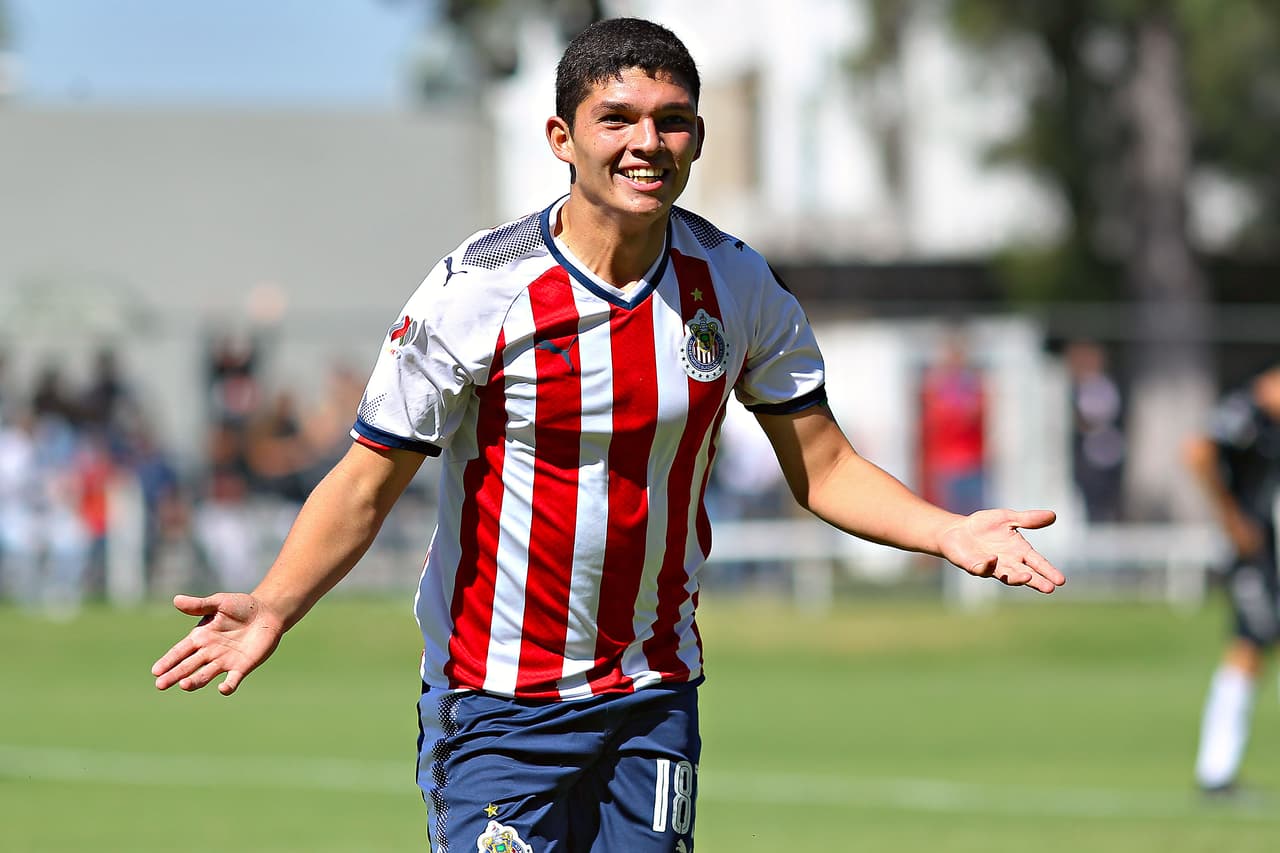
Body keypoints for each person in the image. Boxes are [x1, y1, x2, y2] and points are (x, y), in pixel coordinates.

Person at [151, 17, 1064, 852]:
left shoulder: (736, 286)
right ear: (563, 138)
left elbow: (822, 465)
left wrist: (947, 530)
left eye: (672, 121)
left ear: (697, 139)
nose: (646, 144)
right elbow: (365, 482)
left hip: (652, 696)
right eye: (617, 118)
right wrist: (274, 603)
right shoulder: (479, 291)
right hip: (496, 703)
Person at [1186, 364, 1280, 794]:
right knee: (1250, 645)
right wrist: (1231, 520)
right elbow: (1197, 453)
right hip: (1259, 554)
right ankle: (1216, 772)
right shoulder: (1244, 412)